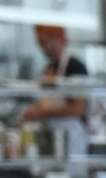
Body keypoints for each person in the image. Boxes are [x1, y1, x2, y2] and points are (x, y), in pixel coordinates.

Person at [22, 24, 89, 156]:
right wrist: (34, 110)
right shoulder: (48, 68)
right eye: (39, 42)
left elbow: (77, 109)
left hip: (70, 140)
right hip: (49, 137)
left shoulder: (75, 67)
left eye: (43, 41)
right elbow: (45, 101)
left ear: (57, 39)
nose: (41, 47)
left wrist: (41, 113)